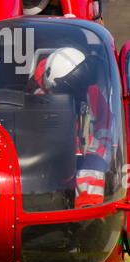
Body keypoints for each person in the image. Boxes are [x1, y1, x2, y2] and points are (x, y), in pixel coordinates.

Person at [33, 47, 113, 208]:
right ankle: (87, 208)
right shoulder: (39, 101)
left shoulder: (90, 90)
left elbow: (106, 122)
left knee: (95, 159)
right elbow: (40, 138)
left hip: (85, 155)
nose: (81, 94)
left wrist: (109, 152)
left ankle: (89, 211)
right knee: (94, 157)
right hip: (50, 159)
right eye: (73, 91)